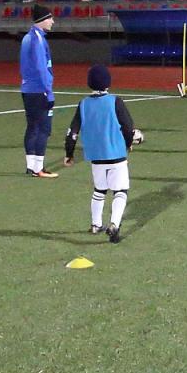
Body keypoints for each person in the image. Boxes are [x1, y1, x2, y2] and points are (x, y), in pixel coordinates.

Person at [62, 63, 142, 243]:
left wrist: (69, 154)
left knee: (99, 190)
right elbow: (128, 127)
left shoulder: (83, 104)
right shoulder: (115, 101)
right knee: (120, 191)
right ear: (108, 82)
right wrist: (128, 143)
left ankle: (95, 224)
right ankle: (114, 224)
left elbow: (72, 132)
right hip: (116, 154)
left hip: (96, 156)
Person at [20, 6, 58, 177]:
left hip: (27, 89)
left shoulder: (27, 38)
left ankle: (31, 166)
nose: (52, 22)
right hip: (39, 90)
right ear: (42, 20)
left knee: (32, 127)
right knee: (44, 129)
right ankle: (39, 168)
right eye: (50, 18)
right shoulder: (38, 40)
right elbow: (42, 68)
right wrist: (48, 92)